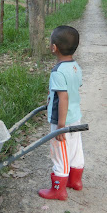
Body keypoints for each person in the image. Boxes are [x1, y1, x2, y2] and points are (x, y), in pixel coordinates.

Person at [38, 25, 84, 201]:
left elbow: (63, 97)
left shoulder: (58, 71)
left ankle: (59, 190)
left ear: (54, 47)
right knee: (75, 149)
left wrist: (61, 125)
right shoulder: (75, 67)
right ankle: (75, 181)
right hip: (76, 116)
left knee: (60, 153)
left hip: (62, 119)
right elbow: (74, 89)